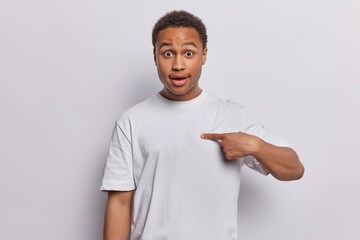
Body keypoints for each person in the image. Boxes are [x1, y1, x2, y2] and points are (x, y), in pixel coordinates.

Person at [100, 10, 304, 240]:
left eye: (189, 53)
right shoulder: (131, 122)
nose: (178, 65)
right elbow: (119, 205)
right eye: (168, 53)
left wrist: (254, 146)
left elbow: (294, 169)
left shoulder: (232, 115)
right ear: (155, 56)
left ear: (204, 55)